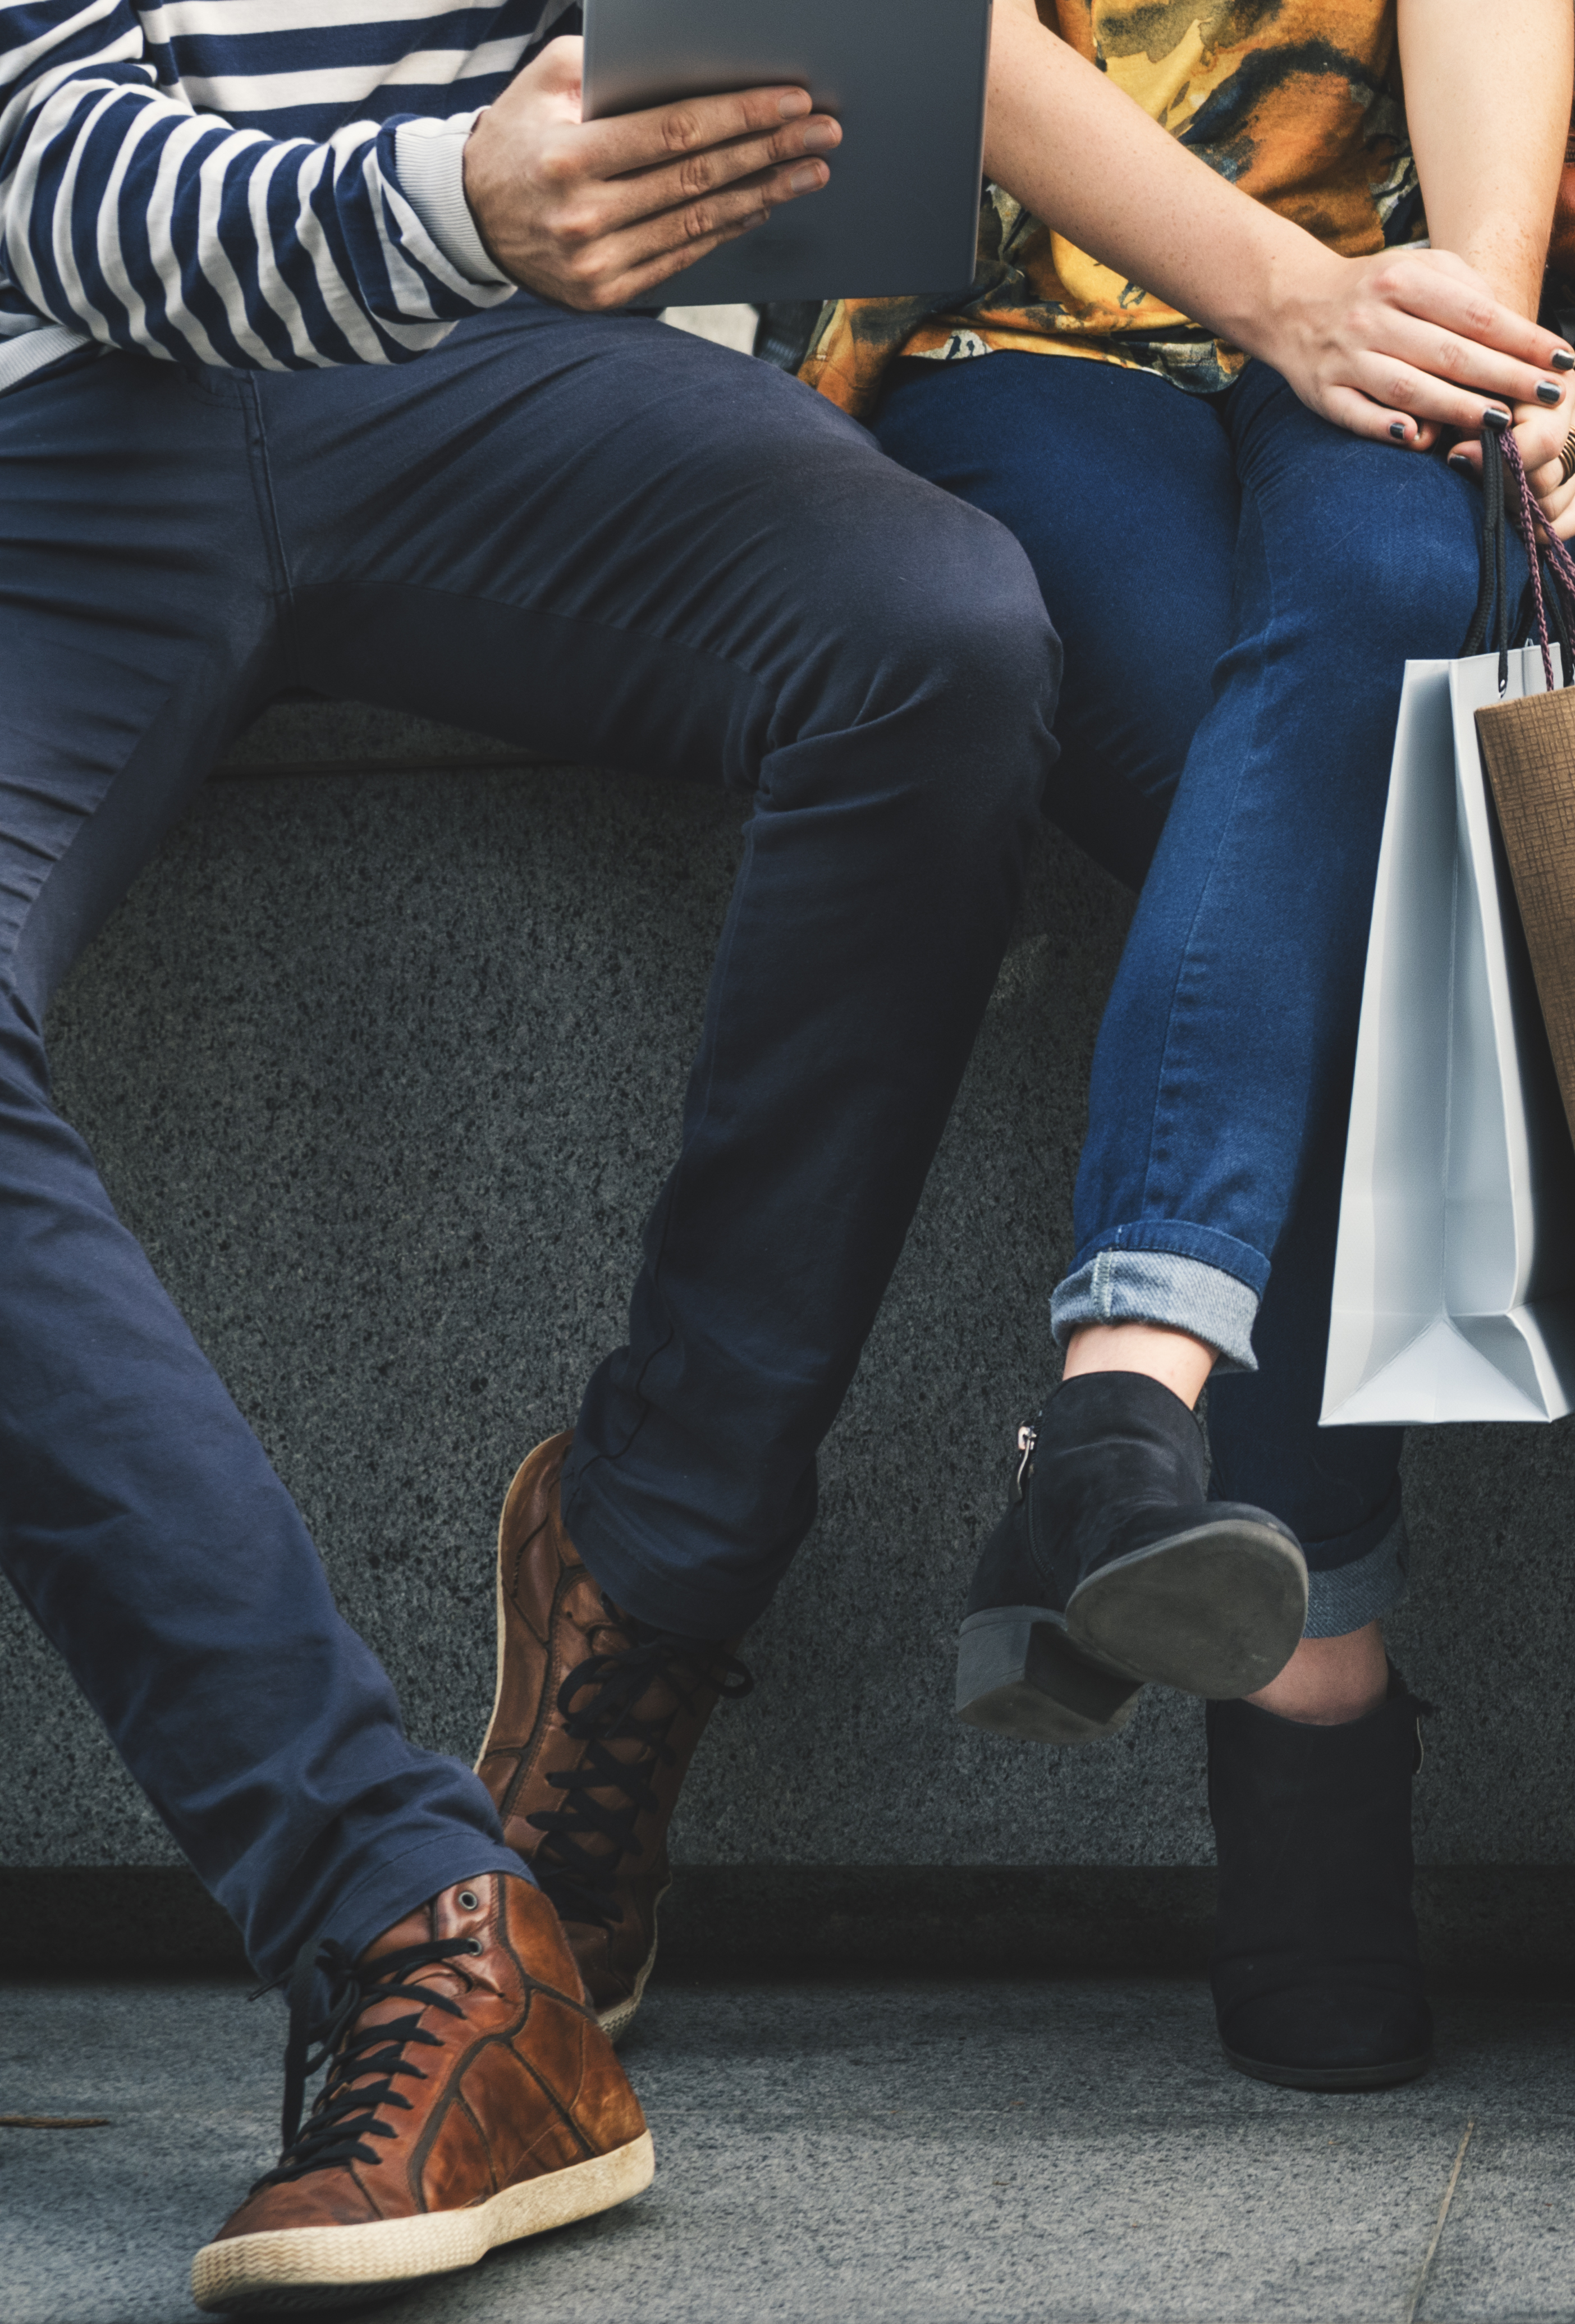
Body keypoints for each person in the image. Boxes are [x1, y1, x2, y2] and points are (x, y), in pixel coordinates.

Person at [0, 0, 1059, 2306]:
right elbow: (39, 153)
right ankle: (416, 1930)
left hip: (502, 363)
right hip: (54, 401)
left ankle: (646, 1569)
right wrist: (436, 197)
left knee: (937, 636)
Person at [807, 0, 1575, 2092]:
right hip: (1011, 328)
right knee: (1303, 816)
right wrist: (1305, 303)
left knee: (1393, 608)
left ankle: (1118, 1419)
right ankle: (1312, 1683)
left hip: (1398, 305)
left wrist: (1478, 346)